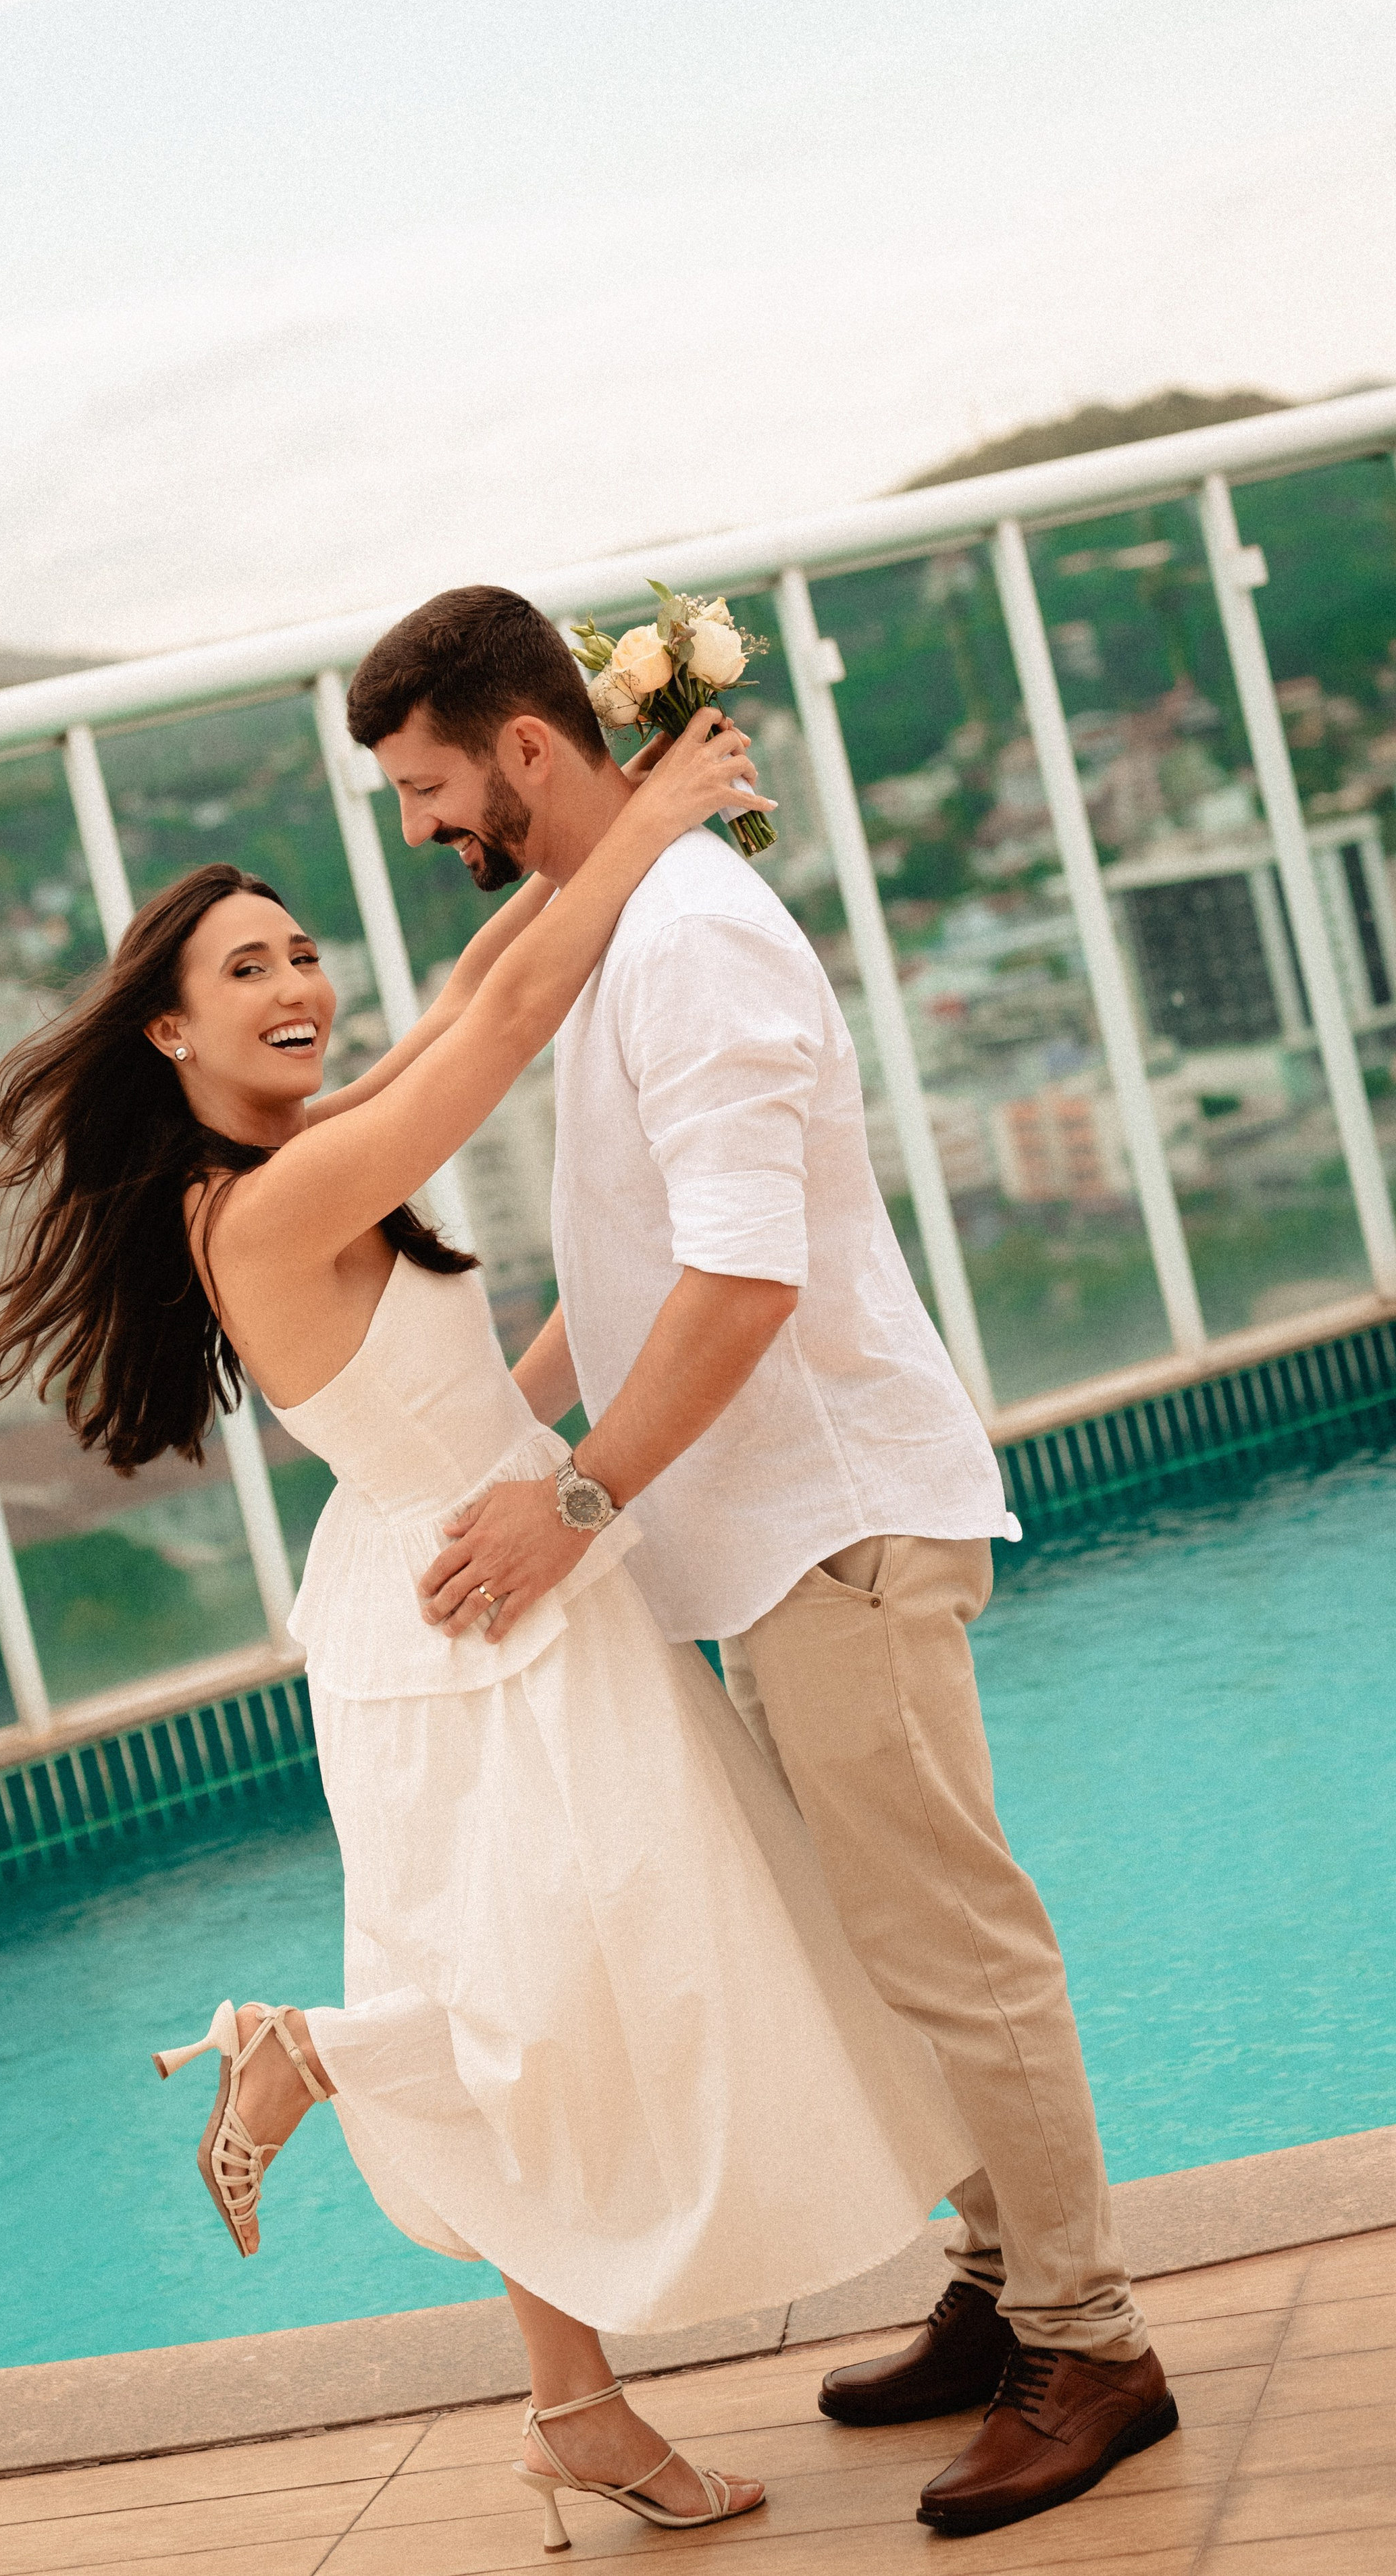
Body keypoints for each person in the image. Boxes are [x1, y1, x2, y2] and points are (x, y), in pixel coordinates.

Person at [0, 710, 980, 2552]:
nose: (296, 985)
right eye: (244, 969)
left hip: (481, 1572)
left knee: (569, 1971)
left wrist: (599, 819)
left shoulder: (309, 1148)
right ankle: (312, 2056)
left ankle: (576, 2406)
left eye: (300, 950)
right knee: (581, 1987)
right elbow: (499, 1035)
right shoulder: (266, 1203)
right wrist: (657, 812)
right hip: (477, 1606)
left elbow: (471, 993)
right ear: (167, 1032)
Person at [344, 583, 1179, 2542]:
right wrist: (495, 1436)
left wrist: (567, 1504)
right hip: (760, 1544)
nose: (421, 829)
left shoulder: (696, 939)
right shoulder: (619, 921)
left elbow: (742, 1280)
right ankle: (1004, 2285)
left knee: (954, 1948)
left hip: (837, 1529)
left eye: (429, 788)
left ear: (528, 747)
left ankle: (1093, 2343)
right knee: (878, 1949)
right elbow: (638, 1263)